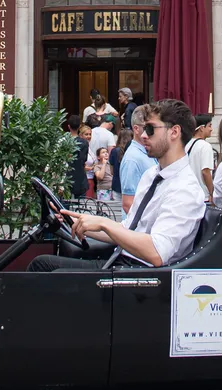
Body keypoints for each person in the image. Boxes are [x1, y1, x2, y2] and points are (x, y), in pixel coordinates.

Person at [28, 99, 206, 271]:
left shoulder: (185, 189)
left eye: (150, 129)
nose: (143, 135)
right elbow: (128, 228)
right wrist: (75, 221)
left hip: (137, 275)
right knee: (43, 263)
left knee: (42, 266)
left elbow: (157, 253)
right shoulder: (152, 175)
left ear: (174, 132)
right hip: (121, 262)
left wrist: (105, 224)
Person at [119, 105, 158, 213]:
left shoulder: (146, 152)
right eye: (149, 128)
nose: (153, 132)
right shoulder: (133, 159)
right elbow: (128, 203)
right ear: (136, 129)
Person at [185, 113, 215, 201]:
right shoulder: (205, 146)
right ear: (202, 128)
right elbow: (205, 171)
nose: (211, 129)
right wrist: (212, 192)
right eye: (209, 126)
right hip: (202, 195)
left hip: (188, 194)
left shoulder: (186, 144)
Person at [66, 114, 89, 199]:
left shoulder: (63, 141)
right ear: (79, 126)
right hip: (80, 176)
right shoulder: (84, 143)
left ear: (68, 126)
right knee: (80, 206)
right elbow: (84, 159)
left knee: (65, 203)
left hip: (67, 176)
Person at [109, 129, 133, 201]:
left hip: (117, 185)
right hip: (130, 185)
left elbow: (112, 171)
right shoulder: (133, 151)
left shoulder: (114, 151)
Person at [79, 124, 96, 198]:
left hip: (91, 179)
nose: (89, 136)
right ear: (81, 135)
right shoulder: (80, 148)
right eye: (86, 134)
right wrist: (86, 168)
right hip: (84, 179)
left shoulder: (89, 148)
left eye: (90, 134)